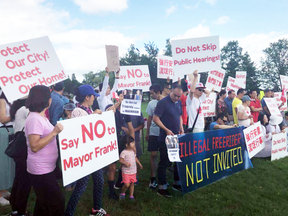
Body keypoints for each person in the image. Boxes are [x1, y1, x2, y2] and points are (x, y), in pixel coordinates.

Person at [65, 85, 109, 216]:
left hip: (92, 154)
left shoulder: (88, 110)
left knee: (99, 181)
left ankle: (96, 209)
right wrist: (94, 116)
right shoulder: (78, 111)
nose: (94, 98)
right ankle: (69, 213)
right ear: (87, 97)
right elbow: (80, 129)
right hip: (85, 156)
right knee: (81, 186)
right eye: (93, 96)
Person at [25, 85, 65, 216]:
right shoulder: (34, 118)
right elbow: (34, 146)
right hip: (40, 170)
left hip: (47, 168)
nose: (51, 99)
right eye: (49, 96)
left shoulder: (41, 117)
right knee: (57, 202)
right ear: (46, 100)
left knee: (43, 203)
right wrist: (54, 133)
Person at [153, 83, 184, 198]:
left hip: (176, 137)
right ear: (171, 91)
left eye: (179, 96)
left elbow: (180, 116)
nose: (177, 98)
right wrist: (166, 130)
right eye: (175, 95)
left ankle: (177, 183)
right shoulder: (163, 102)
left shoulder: (178, 102)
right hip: (166, 138)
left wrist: (181, 128)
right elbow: (156, 118)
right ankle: (162, 187)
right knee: (164, 162)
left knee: (177, 161)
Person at [9, 98, 31, 216]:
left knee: (18, 180)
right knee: (24, 181)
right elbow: (38, 117)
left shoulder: (18, 109)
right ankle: (21, 212)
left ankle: (15, 209)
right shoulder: (24, 109)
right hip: (24, 148)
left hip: (19, 148)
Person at [146, 84, 162, 189]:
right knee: (153, 155)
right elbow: (149, 119)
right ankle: (153, 177)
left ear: (158, 92)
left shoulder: (166, 102)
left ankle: (162, 177)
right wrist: (147, 133)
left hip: (164, 133)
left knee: (165, 156)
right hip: (153, 133)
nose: (151, 95)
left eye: (152, 93)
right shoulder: (151, 103)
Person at [0, 92, 14, 207]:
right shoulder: (2, 101)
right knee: (2, 163)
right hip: (4, 132)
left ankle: (3, 189)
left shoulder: (13, 100)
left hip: (11, 132)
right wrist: (15, 114)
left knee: (8, 163)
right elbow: (2, 119)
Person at [119, 135, 143, 200]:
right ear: (127, 145)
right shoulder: (124, 152)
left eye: (133, 142)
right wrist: (125, 163)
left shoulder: (132, 151)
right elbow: (120, 160)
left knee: (132, 183)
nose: (134, 144)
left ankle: (131, 195)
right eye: (132, 143)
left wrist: (139, 163)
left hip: (133, 171)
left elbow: (135, 158)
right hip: (126, 171)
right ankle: (122, 193)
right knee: (127, 184)